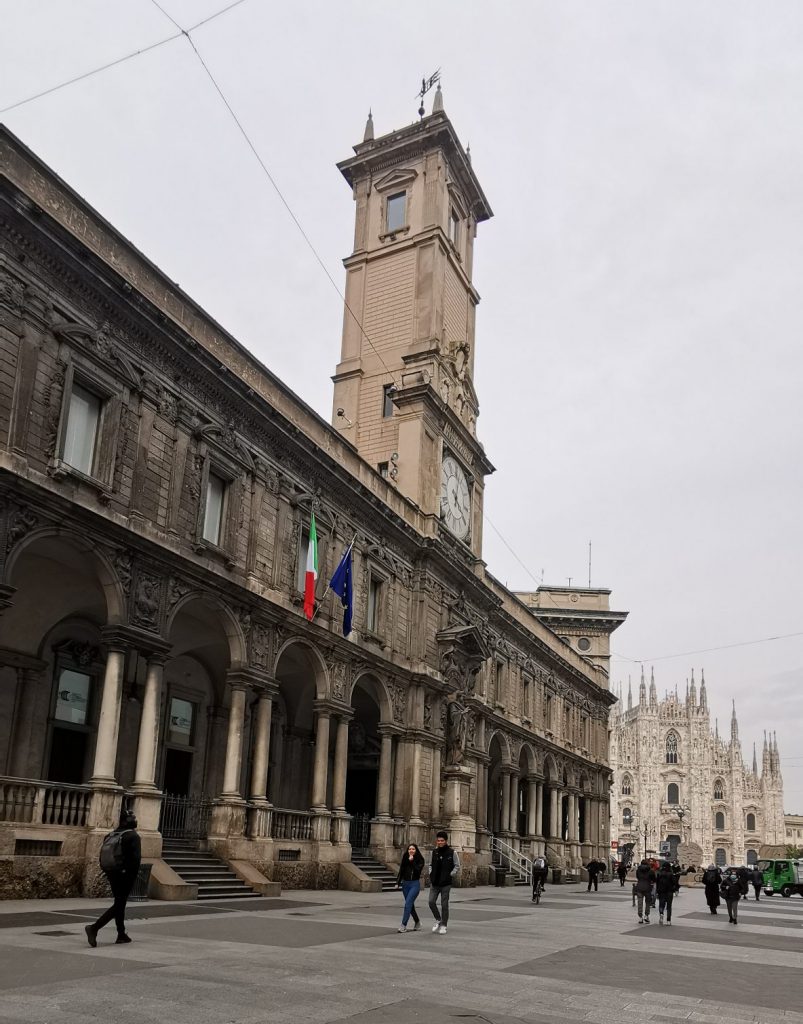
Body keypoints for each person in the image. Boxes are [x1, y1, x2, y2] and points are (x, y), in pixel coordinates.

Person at [85, 808, 141, 947]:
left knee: (119, 902)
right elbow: (135, 860)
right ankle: (94, 928)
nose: (135, 820)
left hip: (112, 872)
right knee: (119, 904)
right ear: (128, 821)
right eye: (133, 818)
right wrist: (133, 875)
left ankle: (121, 934)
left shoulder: (111, 834)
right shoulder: (133, 836)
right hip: (125, 874)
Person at [428, 831, 460, 934]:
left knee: (444, 904)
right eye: (438, 841)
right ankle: (438, 919)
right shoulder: (434, 852)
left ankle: (444, 925)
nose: (440, 842)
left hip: (446, 883)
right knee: (431, 902)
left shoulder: (452, 852)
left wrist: (451, 874)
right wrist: (430, 873)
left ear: (446, 841)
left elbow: (457, 865)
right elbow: (430, 864)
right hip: (435, 882)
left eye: (442, 840)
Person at [395, 843, 425, 932]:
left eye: (413, 849)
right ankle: (417, 922)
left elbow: (417, 870)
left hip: (415, 884)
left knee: (407, 903)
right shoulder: (405, 858)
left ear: (416, 851)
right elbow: (401, 871)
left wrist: (412, 861)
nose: (411, 851)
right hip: (406, 884)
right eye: (409, 849)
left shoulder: (420, 859)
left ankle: (403, 925)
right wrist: (398, 882)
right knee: (410, 905)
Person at [656, 861, 678, 925]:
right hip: (669, 892)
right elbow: (675, 883)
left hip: (661, 892)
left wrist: (657, 891)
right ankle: (668, 921)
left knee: (661, 905)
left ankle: (661, 914)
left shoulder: (659, 874)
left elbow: (657, 884)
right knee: (669, 906)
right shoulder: (671, 874)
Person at [635, 859, 656, 923]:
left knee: (640, 902)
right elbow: (654, 879)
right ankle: (646, 916)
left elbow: (638, 877)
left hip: (639, 887)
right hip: (647, 887)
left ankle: (640, 917)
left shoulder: (638, 870)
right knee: (648, 902)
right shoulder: (651, 871)